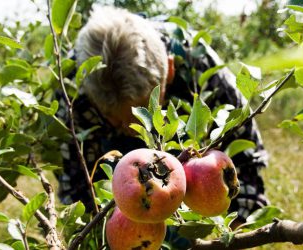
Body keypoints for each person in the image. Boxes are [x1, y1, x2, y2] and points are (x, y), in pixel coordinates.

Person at [56, 5, 269, 228]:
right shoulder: (74, 86)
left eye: (142, 113)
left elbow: (246, 158)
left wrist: (234, 231)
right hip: (119, 187)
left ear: (170, 69)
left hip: (189, 172)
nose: (131, 128)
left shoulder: (198, 63)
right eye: (114, 118)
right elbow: (76, 182)